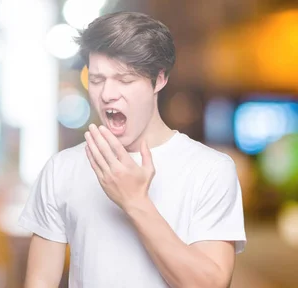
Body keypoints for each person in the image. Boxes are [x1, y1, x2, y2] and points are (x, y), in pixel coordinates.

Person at [19, 11, 246, 288]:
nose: (107, 94)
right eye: (98, 79)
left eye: (124, 80)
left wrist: (135, 202)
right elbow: (40, 281)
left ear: (159, 79)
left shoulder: (211, 169)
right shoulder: (61, 168)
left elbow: (211, 284)